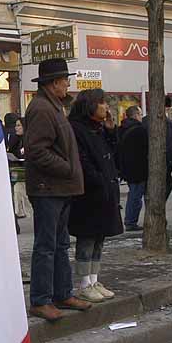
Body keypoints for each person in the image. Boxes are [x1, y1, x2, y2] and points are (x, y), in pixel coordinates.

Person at [23, 58, 89, 323]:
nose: (67, 84)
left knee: (60, 244)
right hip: (48, 188)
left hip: (59, 188)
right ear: (53, 83)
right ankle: (41, 299)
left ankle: (62, 293)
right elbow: (37, 150)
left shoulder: (54, 106)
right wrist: (67, 168)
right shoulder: (41, 108)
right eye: (64, 80)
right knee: (46, 246)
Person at [68, 89, 122, 303]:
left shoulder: (99, 129)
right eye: (102, 103)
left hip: (105, 192)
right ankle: (84, 283)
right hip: (89, 194)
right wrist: (98, 180)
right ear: (90, 105)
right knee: (87, 238)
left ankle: (94, 279)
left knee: (100, 237)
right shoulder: (77, 129)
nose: (106, 107)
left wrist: (110, 132)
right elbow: (83, 162)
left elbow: (114, 155)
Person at [118, 106, 148, 231]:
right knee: (136, 196)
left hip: (126, 168)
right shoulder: (140, 130)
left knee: (134, 194)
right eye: (140, 114)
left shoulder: (121, 129)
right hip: (138, 168)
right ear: (136, 115)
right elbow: (145, 149)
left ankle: (130, 220)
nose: (142, 117)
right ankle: (130, 221)